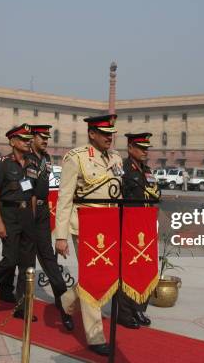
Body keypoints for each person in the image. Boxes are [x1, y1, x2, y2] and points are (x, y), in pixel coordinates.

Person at [55, 114, 123, 357]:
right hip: (85, 225)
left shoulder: (116, 157)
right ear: (92, 134)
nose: (109, 137)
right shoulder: (76, 157)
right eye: (104, 133)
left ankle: (67, 301)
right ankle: (95, 336)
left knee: (106, 275)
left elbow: (117, 193)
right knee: (93, 278)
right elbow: (64, 198)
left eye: (111, 133)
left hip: (110, 225)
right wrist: (60, 236)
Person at [0, 124, 38, 321]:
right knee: (10, 260)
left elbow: (33, 194)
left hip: (27, 216)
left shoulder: (33, 163)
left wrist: (33, 217)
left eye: (29, 139)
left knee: (27, 264)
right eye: (23, 139)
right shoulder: (3, 163)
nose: (28, 142)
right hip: (9, 214)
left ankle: (22, 306)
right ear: (12, 142)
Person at [22, 124, 74, 330]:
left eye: (47, 137)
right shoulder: (27, 158)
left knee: (50, 262)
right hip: (28, 212)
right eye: (42, 137)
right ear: (33, 138)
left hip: (42, 214)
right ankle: (19, 304)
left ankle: (64, 307)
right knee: (24, 261)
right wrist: (30, 214)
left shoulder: (47, 159)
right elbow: (27, 188)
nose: (45, 140)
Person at [117, 132, 159, 329]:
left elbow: (154, 192)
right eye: (141, 148)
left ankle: (139, 308)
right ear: (130, 148)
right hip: (129, 223)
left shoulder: (147, 170)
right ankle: (124, 313)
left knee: (144, 268)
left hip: (146, 223)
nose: (144, 152)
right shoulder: (122, 169)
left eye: (146, 148)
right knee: (128, 270)